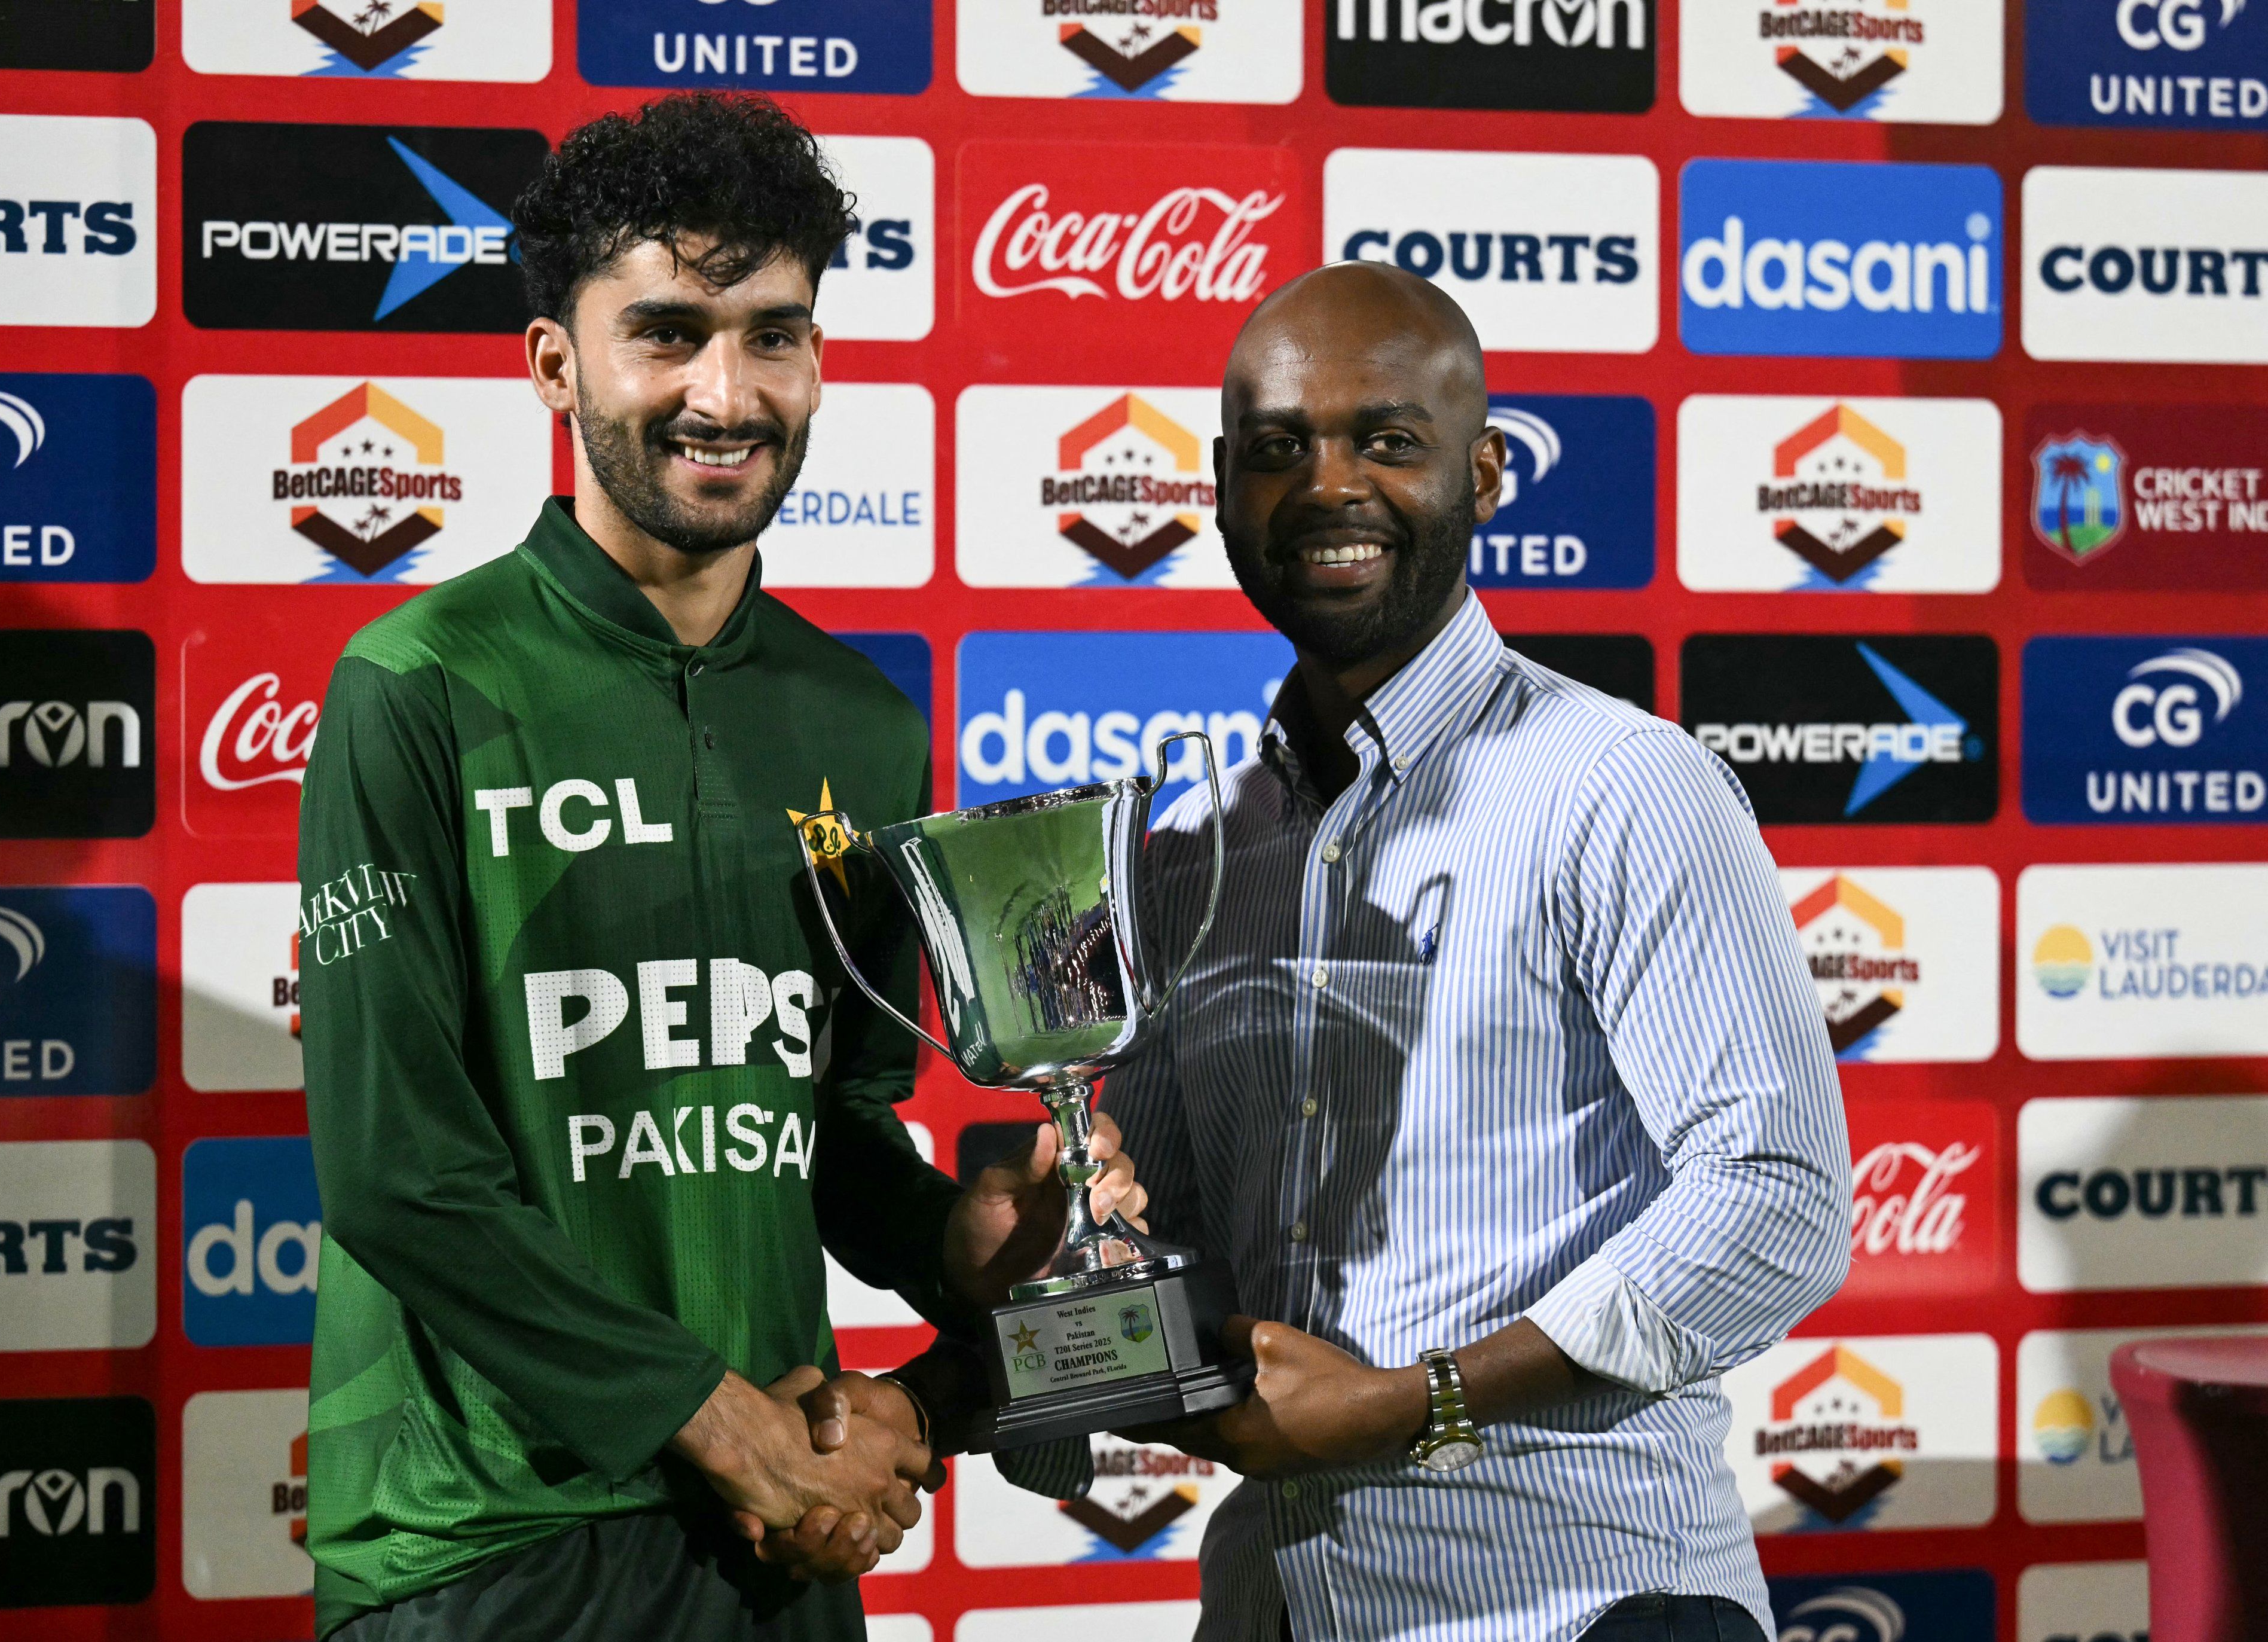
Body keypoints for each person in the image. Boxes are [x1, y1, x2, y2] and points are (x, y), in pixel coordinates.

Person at [295, 93, 1144, 1641]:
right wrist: (709, 1414)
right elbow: (395, 1172)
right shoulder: (417, 682)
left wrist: (954, 1243)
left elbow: (826, 1121)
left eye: (776, 333)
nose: (726, 390)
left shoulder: (861, 726)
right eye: (669, 332)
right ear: (557, 364)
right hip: (490, 1538)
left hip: (772, 1525)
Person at [1101, 261, 1853, 1641]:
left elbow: (1778, 1197)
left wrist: (1420, 1396)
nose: (1328, 485)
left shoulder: (1620, 784)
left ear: (1485, 472)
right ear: (1216, 489)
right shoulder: (1184, 847)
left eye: (1387, 439)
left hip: (1573, 1601)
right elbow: (1159, 1238)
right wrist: (1047, 1266)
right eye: (1277, 448)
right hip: (1285, 1601)